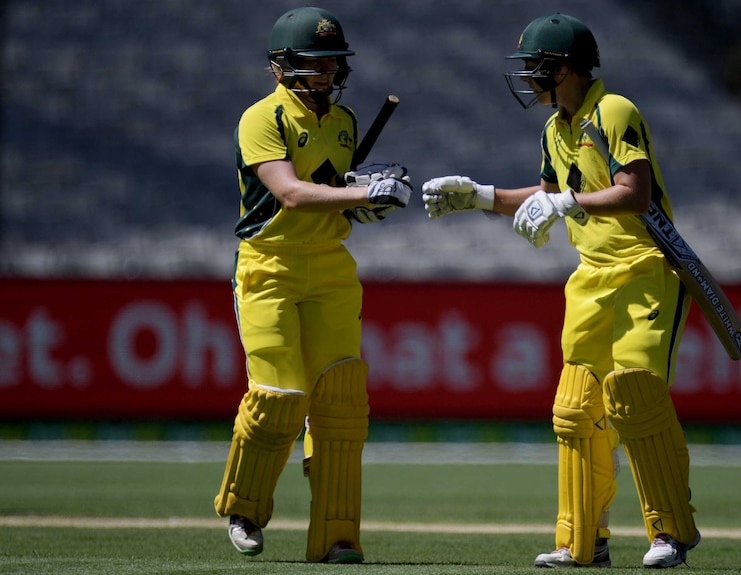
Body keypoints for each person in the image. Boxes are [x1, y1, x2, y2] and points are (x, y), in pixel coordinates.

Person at [422, 13, 700, 569]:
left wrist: (567, 203)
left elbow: (636, 193)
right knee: (575, 409)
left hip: (648, 268)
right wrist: (478, 196)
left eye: (536, 66)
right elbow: (546, 195)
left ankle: (669, 532)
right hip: (591, 277)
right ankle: (582, 542)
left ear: (566, 68)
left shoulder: (613, 111)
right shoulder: (554, 129)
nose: (527, 76)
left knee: (636, 394)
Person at [213, 6, 412, 564]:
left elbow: (337, 196)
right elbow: (293, 193)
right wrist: (363, 195)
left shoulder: (346, 121)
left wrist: (369, 200)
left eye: (333, 63)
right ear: (282, 67)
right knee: (280, 395)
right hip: (267, 266)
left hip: (330, 267)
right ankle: (246, 506)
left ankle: (337, 536)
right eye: (314, 63)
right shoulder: (262, 118)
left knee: (341, 403)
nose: (327, 73)